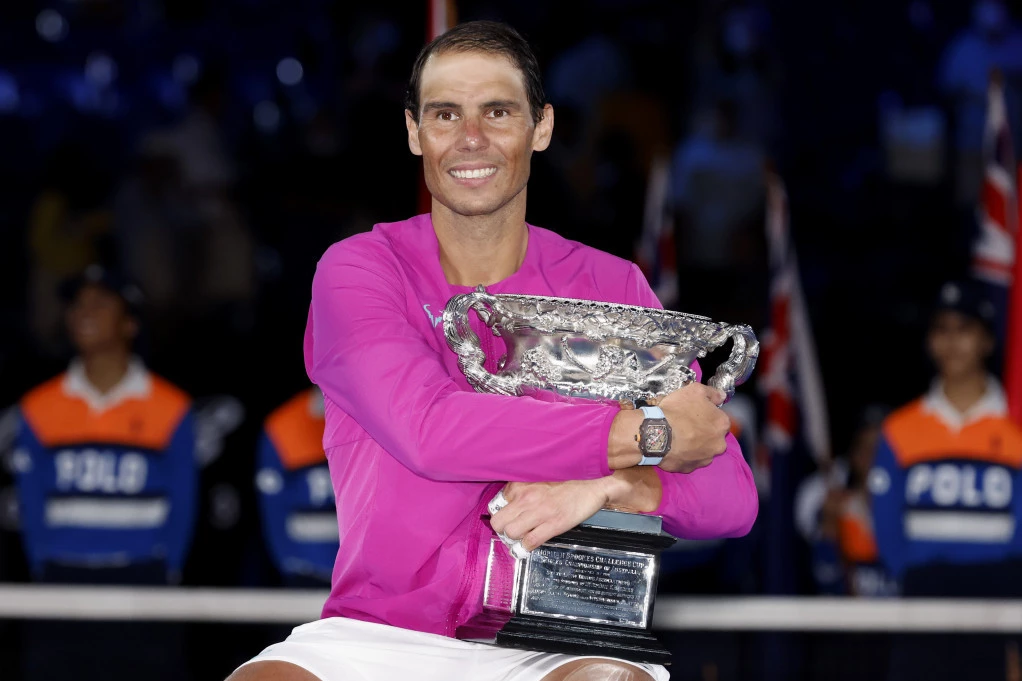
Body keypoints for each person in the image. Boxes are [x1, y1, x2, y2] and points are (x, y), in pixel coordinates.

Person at [229, 20, 757, 681]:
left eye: (498, 112)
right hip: (378, 632)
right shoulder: (360, 270)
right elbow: (429, 429)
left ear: (542, 127)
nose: (470, 137)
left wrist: (614, 484)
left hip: (560, 638)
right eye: (445, 114)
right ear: (414, 132)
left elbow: (731, 495)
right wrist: (641, 435)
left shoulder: (611, 284)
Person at [869, 279, 1022, 681]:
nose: (952, 341)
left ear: (988, 340)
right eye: (942, 329)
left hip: (1001, 598)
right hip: (922, 596)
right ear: (930, 341)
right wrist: (912, 575)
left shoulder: (1016, 426)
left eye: (965, 329)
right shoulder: (900, 429)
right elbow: (886, 524)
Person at [11, 263, 199, 584]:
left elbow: (183, 500)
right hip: (61, 575)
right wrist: (41, 564)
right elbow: (30, 500)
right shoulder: (38, 407)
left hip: (143, 575)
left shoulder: (171, 407)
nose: (84, 313)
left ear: (129, 323)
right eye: (77, 305)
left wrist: (169, 568)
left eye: (100, 304)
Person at [255, 385, 336, 587]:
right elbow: (273, 508)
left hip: (367, 567)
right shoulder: (283, 426)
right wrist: (287, 561)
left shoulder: (377, 415)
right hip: (307, 568)